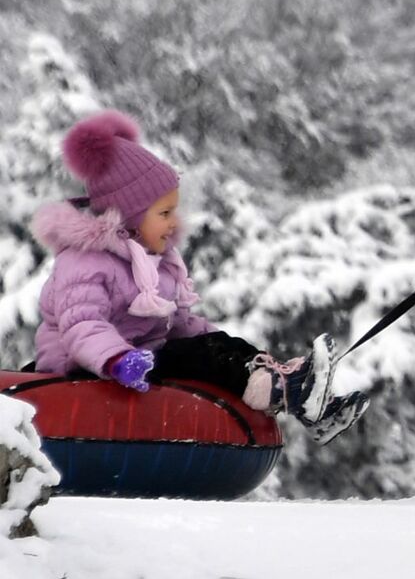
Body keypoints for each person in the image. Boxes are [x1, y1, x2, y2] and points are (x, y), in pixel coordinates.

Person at [33, 111, 369, 444]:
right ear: (128, 216)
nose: (172, 222)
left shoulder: (153, 263)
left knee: (222, 347)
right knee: (201, 356)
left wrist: (219, 339)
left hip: (142, 357)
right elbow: (82, 326)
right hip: (87, 368)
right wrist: (118, 359)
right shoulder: (84, 262)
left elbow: (176, 324)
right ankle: (280, 389)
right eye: (163, 213)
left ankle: (306, 404)